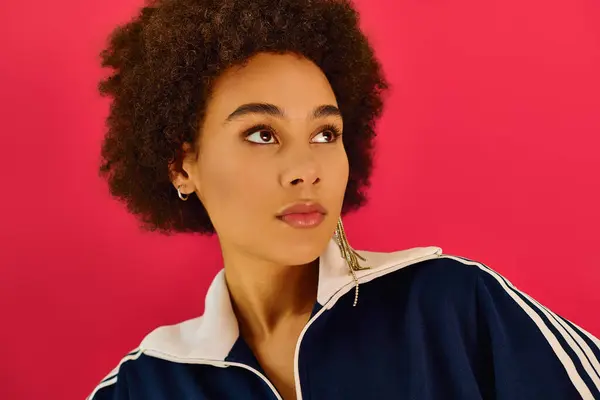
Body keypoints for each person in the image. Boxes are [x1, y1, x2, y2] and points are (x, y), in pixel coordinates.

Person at [88, 0, 600, 398]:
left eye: (325, 134)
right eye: (262, 133)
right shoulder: (144, 386)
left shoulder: (451, 308)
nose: (306, 170)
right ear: (182, 165)